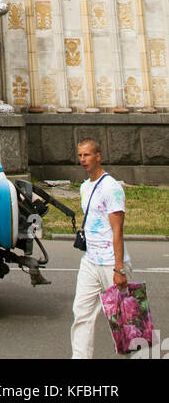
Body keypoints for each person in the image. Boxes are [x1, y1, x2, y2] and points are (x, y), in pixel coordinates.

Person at [70, 137, 132, 359]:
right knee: (81, 314)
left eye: (87, 155)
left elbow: (117, 231)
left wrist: (119, 269)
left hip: (110, 263)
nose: (83, 160)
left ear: (98, 156)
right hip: (90, 260)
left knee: (123, 321)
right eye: (80, 156)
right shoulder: (85, 187)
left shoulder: (111, 188)